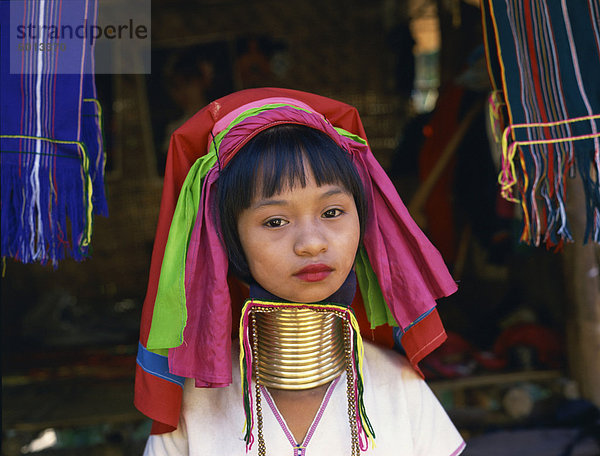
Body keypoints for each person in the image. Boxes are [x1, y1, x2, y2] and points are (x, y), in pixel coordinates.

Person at [136, 88, 466, 455]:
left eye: (332, 212)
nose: (311, 243)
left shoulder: (401, 389)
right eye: (275, 220)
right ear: (228, 240)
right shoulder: (191, 410)